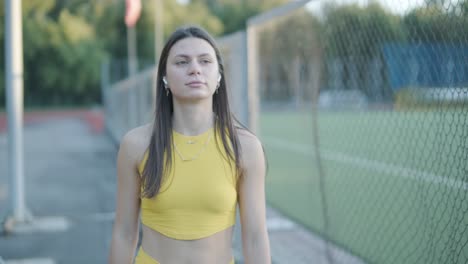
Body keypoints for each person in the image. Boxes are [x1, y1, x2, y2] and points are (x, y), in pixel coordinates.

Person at [108, 25, 271, 264]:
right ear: (164, 76)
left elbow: (255, 236)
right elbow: (124, 232)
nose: (194, 69)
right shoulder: (136, 145)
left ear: (218, 77)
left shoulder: (244, 147)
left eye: (205, 61)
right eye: (182, 62)